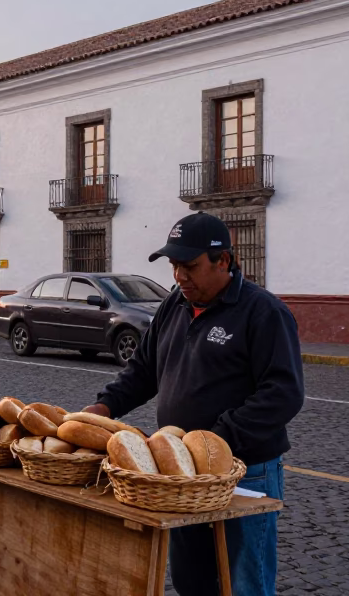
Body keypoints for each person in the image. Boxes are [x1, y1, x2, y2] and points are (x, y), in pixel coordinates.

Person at [81, 212, 304, 596]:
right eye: (174, 266)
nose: (179, 276)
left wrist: (213, 441)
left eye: (190, 266)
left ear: (224, 261)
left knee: (243, 581)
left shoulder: (263, 312)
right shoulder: (174, 305)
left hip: (245, 472)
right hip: (180, 473)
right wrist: (104, 408)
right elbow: (144, 370)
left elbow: (282, 393)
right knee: (191, 579)